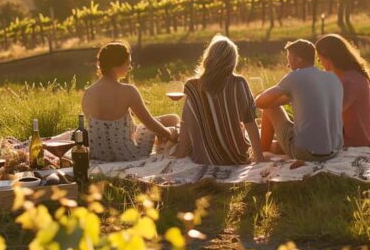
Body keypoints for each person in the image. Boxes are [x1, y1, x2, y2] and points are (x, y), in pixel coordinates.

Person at [173, 35, 265, 165]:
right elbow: (250, 122)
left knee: (170, 139)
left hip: (205, 159)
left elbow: (186, 125)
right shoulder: (239, 83)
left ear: (208, 58)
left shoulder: (192, 86)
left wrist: (181, 152)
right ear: (232, 61)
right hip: (236, 157)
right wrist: (259, 157)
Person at [82, 41, 179, 162]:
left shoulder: (88, 93)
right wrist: (170, 134)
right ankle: (163, 151)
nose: (130, 67)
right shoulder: (128, 91)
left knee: (165, 121)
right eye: (128, 63)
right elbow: (150, 123)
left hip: (100, 156)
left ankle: (161, 144)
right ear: (116, 64)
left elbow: (104, 127)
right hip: (128, 156)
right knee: (173, 120)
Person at [255, 39, 343, 161]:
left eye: (289, 59)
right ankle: (269, 148)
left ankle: (260, 154)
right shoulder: (326, 77)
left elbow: (260, 102)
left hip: (306, 153)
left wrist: (264, 95)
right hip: (331, 151)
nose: (287, 64)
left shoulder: (295, 77)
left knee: (270, 109)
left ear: (298, 59)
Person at [315, 34, 370, 147]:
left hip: (354, 141)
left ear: (329, 57)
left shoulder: (352, 80)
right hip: (351, 136)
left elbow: (332, 111)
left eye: (319, 58)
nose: (319, 61)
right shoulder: (349, 75)